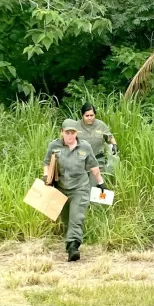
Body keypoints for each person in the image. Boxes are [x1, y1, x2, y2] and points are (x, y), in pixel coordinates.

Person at [42, 119, 107, 262]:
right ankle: (69, 242)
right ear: (62, 132)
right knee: (66, 219)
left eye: (73, 133)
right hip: (60, 188)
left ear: (76, 133)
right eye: (67, 133)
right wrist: (46, 176)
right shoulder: (54, 146)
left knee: (76, 218)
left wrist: (101, 183)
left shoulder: (85, 147)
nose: (70, 136)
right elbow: (46, 163)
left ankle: (73, 247)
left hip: (80, 188)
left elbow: (93, 167)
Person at [76, 103, 118, 184]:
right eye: (87, 116)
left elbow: (109, 137)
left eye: (92, 115)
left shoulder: (101, 125)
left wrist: (114, 145)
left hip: (97, 160)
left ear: (95, 115)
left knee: (94, 185)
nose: (89, 118)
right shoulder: (76, 126)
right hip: (80, 160)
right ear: (82, 115)